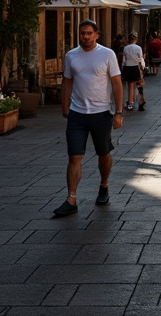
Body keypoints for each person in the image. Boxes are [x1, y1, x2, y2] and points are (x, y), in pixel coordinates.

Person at [51, 19, 124, 218]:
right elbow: (67, 82)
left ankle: (104, 186)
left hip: (101, 113)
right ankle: (71, 199)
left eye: (89, 33)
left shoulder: (107, 54)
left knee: (103, 153)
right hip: (77, 113)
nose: (85, 36)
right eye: (82, 33)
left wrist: (118, 112)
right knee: (74, 155)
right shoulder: (71, 56)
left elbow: (117, 83)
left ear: (96, 34)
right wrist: (65, 106)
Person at [121, 32, 146, 112]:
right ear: (136, 39)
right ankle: (141, 102)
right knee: (139, 85)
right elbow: (140, 58)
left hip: (128, 67)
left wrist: (122, 69)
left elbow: (124, 60)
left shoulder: (125, 48)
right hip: (136, 67)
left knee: (130, 86)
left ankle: (130, 104)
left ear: (129, 39)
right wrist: (143, 67)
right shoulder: (138, 48)